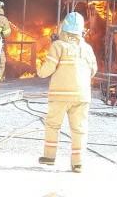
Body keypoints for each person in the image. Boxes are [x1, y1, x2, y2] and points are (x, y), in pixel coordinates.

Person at [37, 11, 97, 173]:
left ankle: (49, 156)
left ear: (64, 28)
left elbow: (47, 69)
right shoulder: (87, 49)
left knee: (52, 125)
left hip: (59, 95)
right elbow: (93, 70)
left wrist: (39, 70)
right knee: (79, 129)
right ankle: (78, 163)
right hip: (82, 96)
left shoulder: (58, 46)